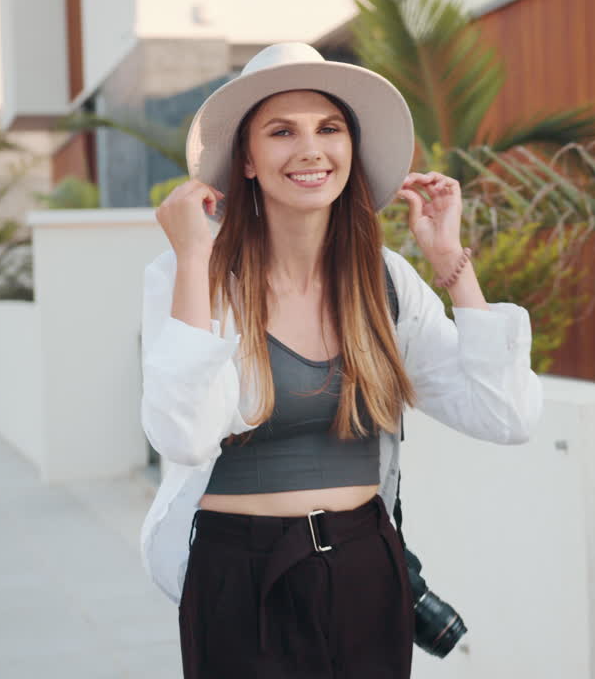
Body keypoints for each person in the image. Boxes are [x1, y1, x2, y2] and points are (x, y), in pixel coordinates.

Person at [138, 42, 544, 678]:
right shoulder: (189, 276)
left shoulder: (385, 281)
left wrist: (451, 267)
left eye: (329, 129)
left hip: (365, 565)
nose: (310, 149)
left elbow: (507, 416)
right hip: (241, 575)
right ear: (246, 159)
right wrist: (194, 260)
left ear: (351, 150)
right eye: (281, 132)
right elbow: (184, 437)